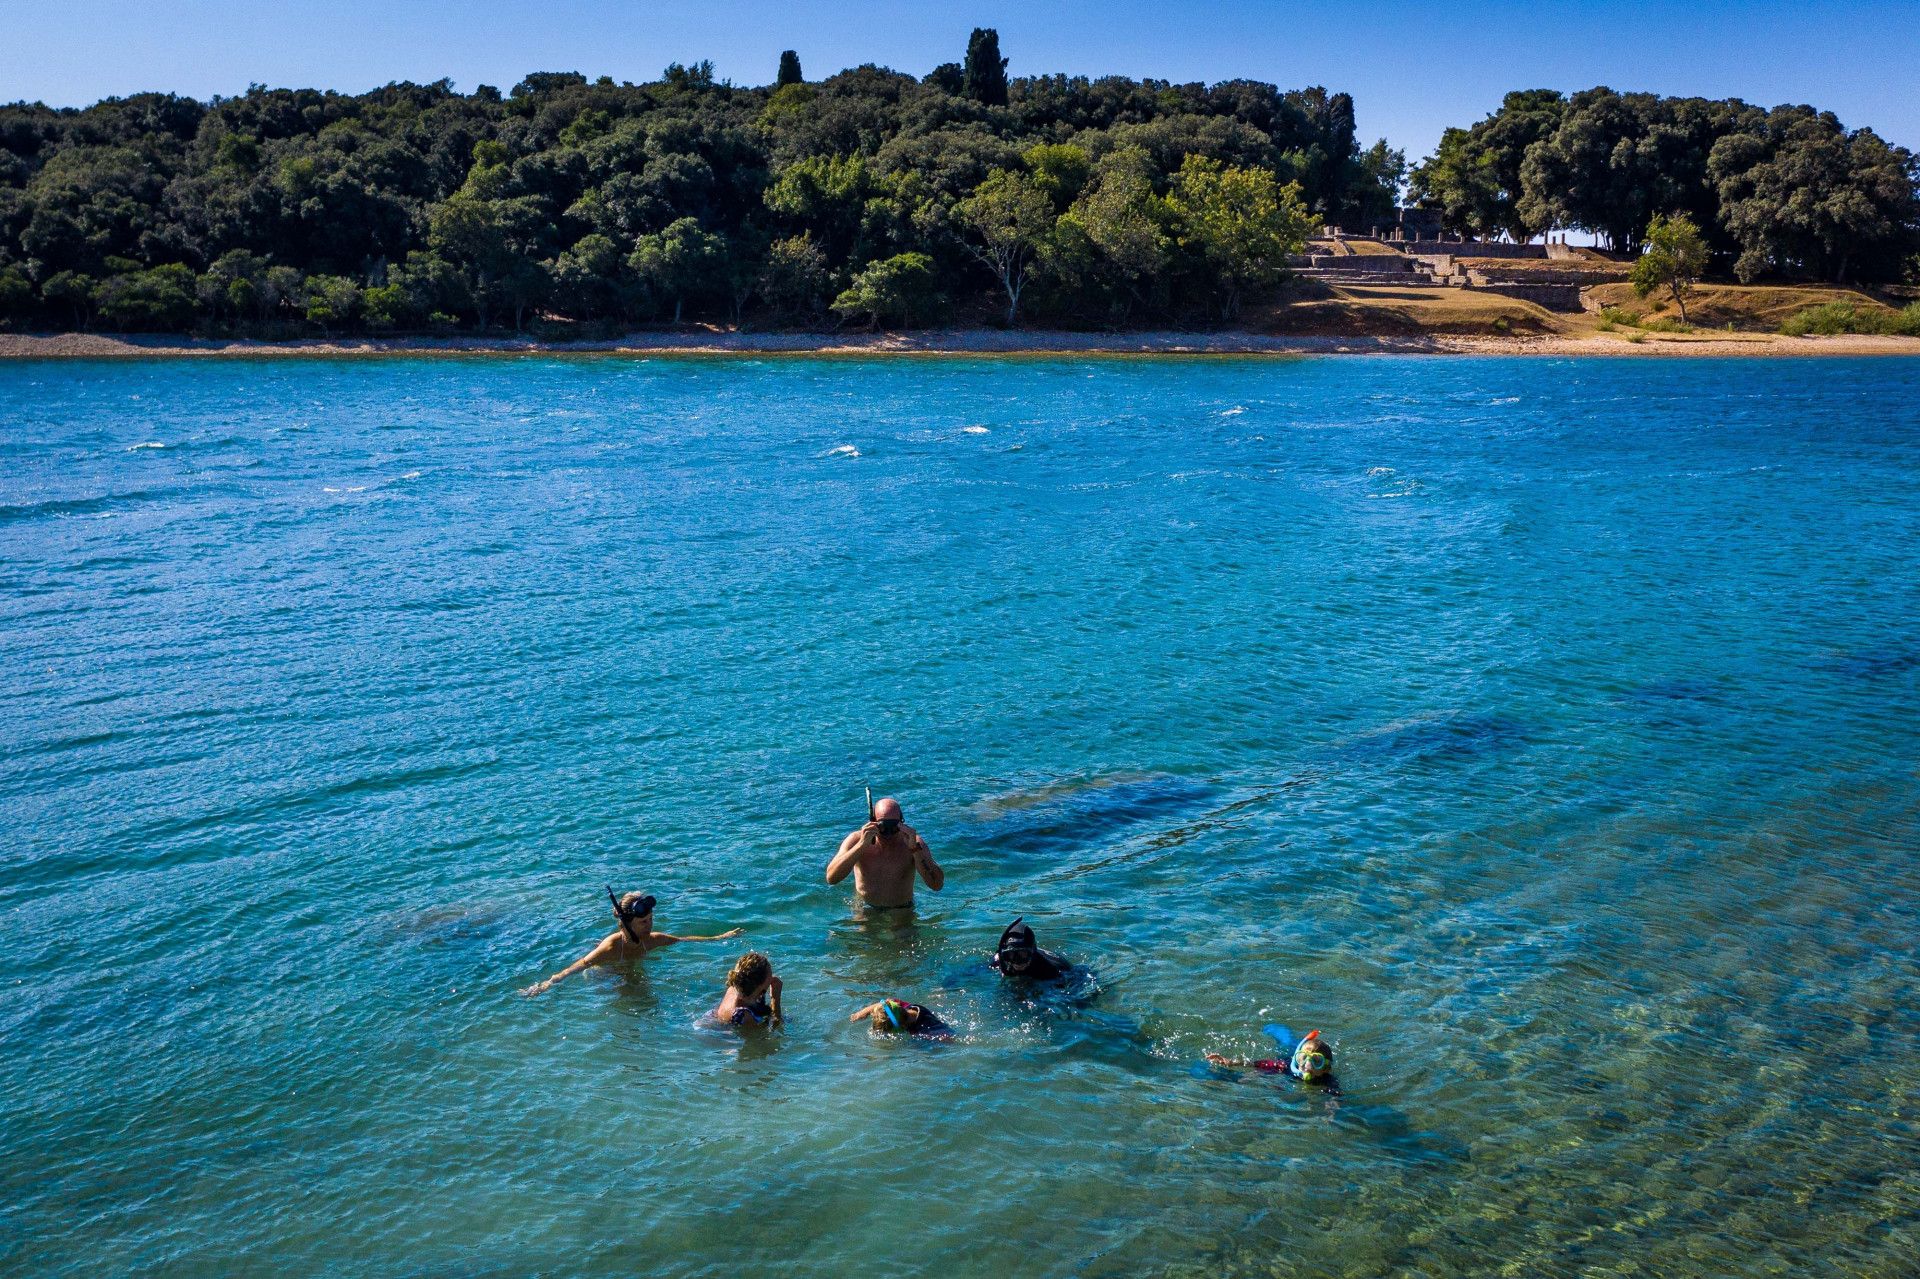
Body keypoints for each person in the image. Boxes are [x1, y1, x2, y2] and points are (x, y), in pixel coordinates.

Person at [521, 888, 742, 996]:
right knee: (632, 989)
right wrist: (547, 984)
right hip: (604, 975)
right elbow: (581, 965)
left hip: (629, 968)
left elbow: (682, 940)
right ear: (627, 923)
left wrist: (719, 938)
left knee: (644, 988)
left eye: (651, 919)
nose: (649, 925)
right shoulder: (610, 947)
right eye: (643, 922)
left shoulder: (650, 940)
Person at [826, 795, 943, 908]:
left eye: (894, 827)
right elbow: (831, 878)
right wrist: (862, 845)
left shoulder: (913, 843)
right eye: (883, 827)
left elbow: (937, 885)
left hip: (902, 910)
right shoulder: (857, 840)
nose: (889, 833)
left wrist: (915, 850)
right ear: (873, 822)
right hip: (866, 908)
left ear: (901, 823)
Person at [1207, 1027, 1338, 1087]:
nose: (1306, 1065)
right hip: (1286, 1056)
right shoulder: (1287, 1066)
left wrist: (1331, 1109)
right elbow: (1260, 1064)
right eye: (1303, 1057)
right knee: (1248, 1079)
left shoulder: (1328, 1081)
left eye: (1316, 1061)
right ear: (1297, 1059)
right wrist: (1231, 1063)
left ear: (1326, 1068)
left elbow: (1336, 1097)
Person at [715, 951, 783, 1028]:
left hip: (712, 1020)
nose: (772, 977)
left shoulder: (734, 988)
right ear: (761, 984)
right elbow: (773, 1033)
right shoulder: (745, 1016)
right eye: (770, 975)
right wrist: (775, 999)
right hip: (721, 1034)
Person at [990, 917, 1071, 982]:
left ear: (1032, 953)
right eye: (1011, 955)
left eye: (1022, 954)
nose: (1017, 962)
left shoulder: (1050, 971)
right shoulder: (999, 960)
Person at [850, 997, 953, 1040]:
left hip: (938, 1027)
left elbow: (948, 1039)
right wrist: (861, 1013)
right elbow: (885, 1004)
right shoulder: (902, 1007)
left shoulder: (921, 1031)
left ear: (900, 1027)